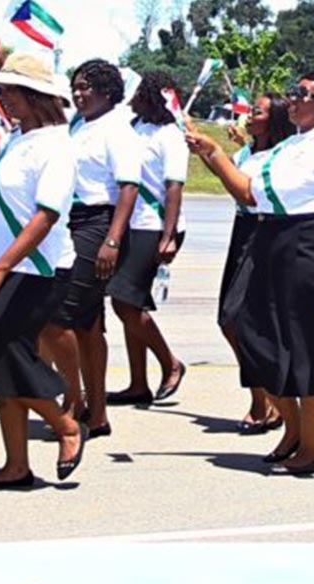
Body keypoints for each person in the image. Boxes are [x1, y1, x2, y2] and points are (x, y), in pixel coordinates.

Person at [189, 70, 314, 477]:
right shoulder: (289, 148)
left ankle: (310, 446)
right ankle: (293, 428)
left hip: (309, 245)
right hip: (271, 240)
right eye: (293, 93)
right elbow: (248, 193)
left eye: (303, 94)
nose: (294, 99)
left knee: (308, 348)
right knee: (245, 326)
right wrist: (213, 153)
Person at [0, 53, 85, 489]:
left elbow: (45, 217)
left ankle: (66, 424)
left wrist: (1, 267)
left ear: (33, 96)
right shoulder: (16, 139)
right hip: (7, 268)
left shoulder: (57, 147)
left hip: (37, 270)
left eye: (7, 91)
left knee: (8, 356)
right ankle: (16, 465)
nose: (2, 97)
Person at [54, 59, 142, 436]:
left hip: (98, 223)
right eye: (76, 86)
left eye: (87, 87)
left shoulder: (117, 130)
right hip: (71, 219)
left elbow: (128, 187)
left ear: (108, 91)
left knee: (65, 313)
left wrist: (112, 240)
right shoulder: (78, 126)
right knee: (89, 321)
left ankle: (73, 399)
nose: (78, 93)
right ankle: (97, 409)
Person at [107, 70, 189, 409]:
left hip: (155, 225)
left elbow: (174, 188)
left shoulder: (170, 136)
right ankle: (137, 384)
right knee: (131, 304)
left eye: (140, 91)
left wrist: (168, 237)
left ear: (153, 95)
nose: (133, 96)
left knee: (124, 302)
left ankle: (170, 362)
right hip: (129, 223)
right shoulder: (136, 126)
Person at [215, 93, 296, 434]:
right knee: (229, 320)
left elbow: (246, 191)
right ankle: (262, 395)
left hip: (262, 231)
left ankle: (270, 400)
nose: (249, 114)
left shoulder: (281, 155)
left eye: (257, 111)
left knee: (243, 321)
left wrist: (213, 155)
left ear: (274, 118)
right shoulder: (249, 151)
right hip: (242, 231)